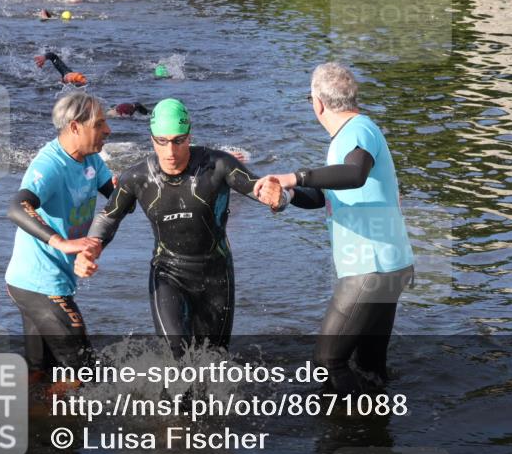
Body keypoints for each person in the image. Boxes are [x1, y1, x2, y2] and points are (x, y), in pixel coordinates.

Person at [75, 99, 287, 357]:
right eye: (161, 141)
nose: (170, 151)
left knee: (214, 359)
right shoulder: (137, 177)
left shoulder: (217, 165)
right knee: (176, 354)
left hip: (216, 275)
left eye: (178, 140)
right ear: (152, 139)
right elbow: (108, 217)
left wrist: (279, 197)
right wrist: (91, 248)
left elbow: (258, 187)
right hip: (168, 273)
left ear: (190, 136)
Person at [254, 62, 415, 395]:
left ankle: (347, 433)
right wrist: (288, 195)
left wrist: (294, 176)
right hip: (388, 265)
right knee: (369, 368)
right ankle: (379, 435)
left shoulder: (359, 130)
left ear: (318, 103)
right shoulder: (353, 135)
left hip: (371, 269)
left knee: (328, 361)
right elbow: (325, 194)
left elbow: (353, 176)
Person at [4, 92, 113, 384]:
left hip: (41, 281)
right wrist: (62, 243)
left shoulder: (92, 159)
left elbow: (119, 197)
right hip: (39, 283)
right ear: (75, 126)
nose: (108, 130)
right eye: (99, 123)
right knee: (88, 374)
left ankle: (36, 425)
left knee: (40, 373)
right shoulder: (49, 164)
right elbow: (17, 207)